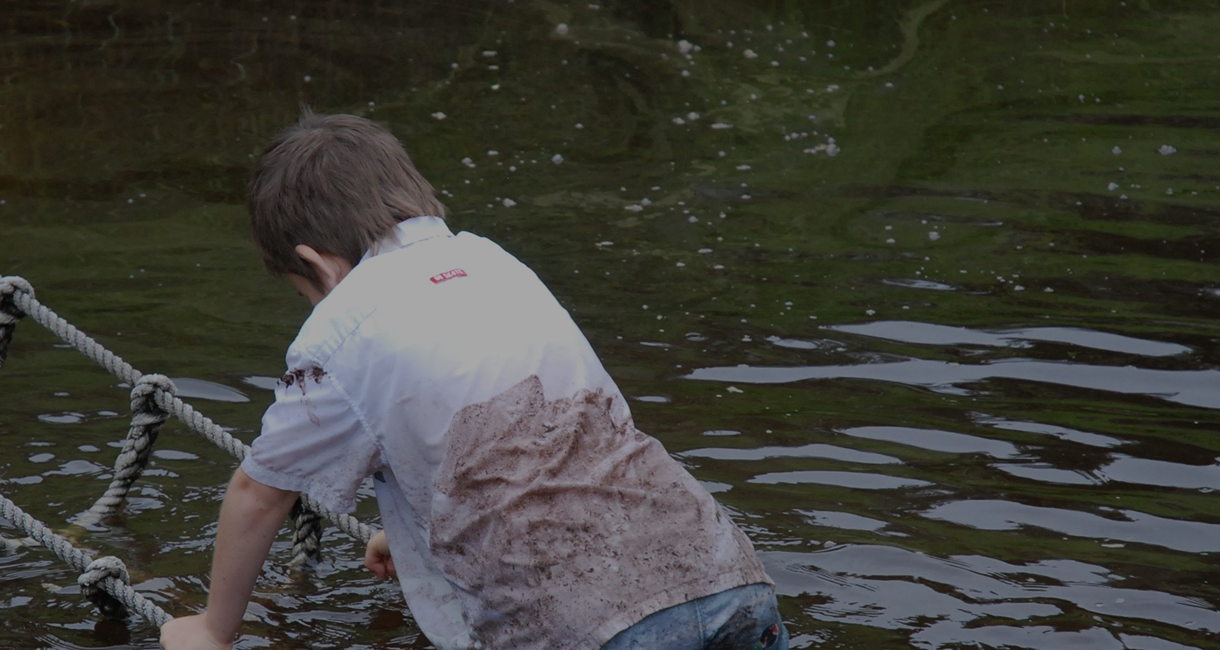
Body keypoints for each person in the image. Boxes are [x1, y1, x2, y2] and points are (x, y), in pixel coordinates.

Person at [158, 112, 787, 650]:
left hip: (590, 626)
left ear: (313, 264)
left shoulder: (341, 333)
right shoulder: (494, 261)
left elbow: (258, 494)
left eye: (303, 295)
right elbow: (536, 442)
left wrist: (214, 630)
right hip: (724, 575)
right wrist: (409, 535)